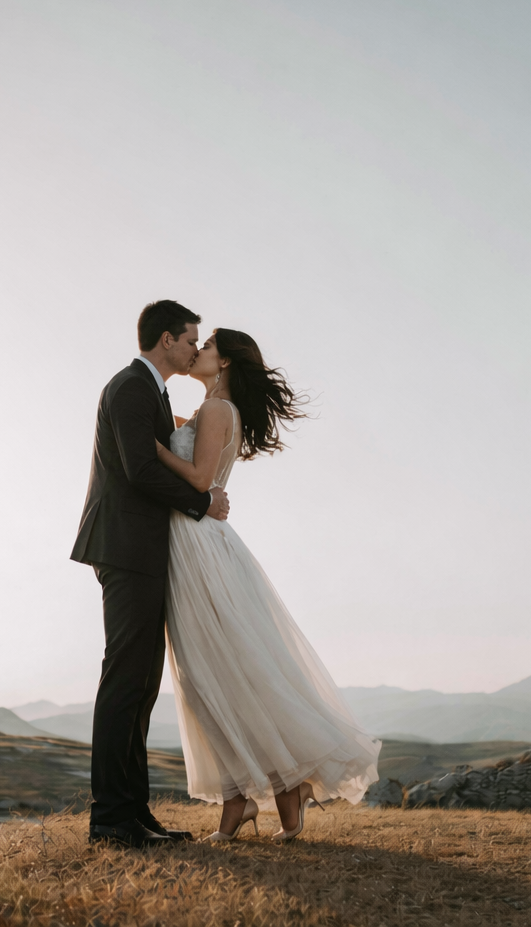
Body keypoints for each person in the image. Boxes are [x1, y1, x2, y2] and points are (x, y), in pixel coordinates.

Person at [155, 328, 380, 842]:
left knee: (221, 672)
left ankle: (274, 789)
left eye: (206, 346)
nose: (198, 352)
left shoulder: (217, 412)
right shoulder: (210, 411)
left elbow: (197, 480)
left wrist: (148, 448)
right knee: (210, 675)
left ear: (226, 361)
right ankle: (257, 797)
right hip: (193, 544)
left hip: (197, 545)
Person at [70, 299, 229, 848]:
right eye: (191, 340)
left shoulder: (152, 392)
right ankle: (110, 820)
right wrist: (201, 501)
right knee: (125, 681)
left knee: (142, 684)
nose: (194, 348)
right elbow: (139, 469)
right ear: (167, 340)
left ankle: (133, 814)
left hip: (142, 550)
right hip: (125, 546)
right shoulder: (131, 387)